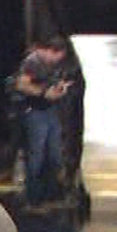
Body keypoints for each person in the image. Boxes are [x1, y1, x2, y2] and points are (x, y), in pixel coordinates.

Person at [15, 36, 71, 208]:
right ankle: (33, 196)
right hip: (35, 112)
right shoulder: (32, 61)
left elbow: (51, 81)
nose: (57, 61)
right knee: (36, 154)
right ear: (50, 51)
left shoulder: (52, 64)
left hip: (50, 110)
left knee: (54, 153)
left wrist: (60, 87)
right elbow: (22, 85)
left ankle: (51, 192)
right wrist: (44, 93)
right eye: (56, 57)